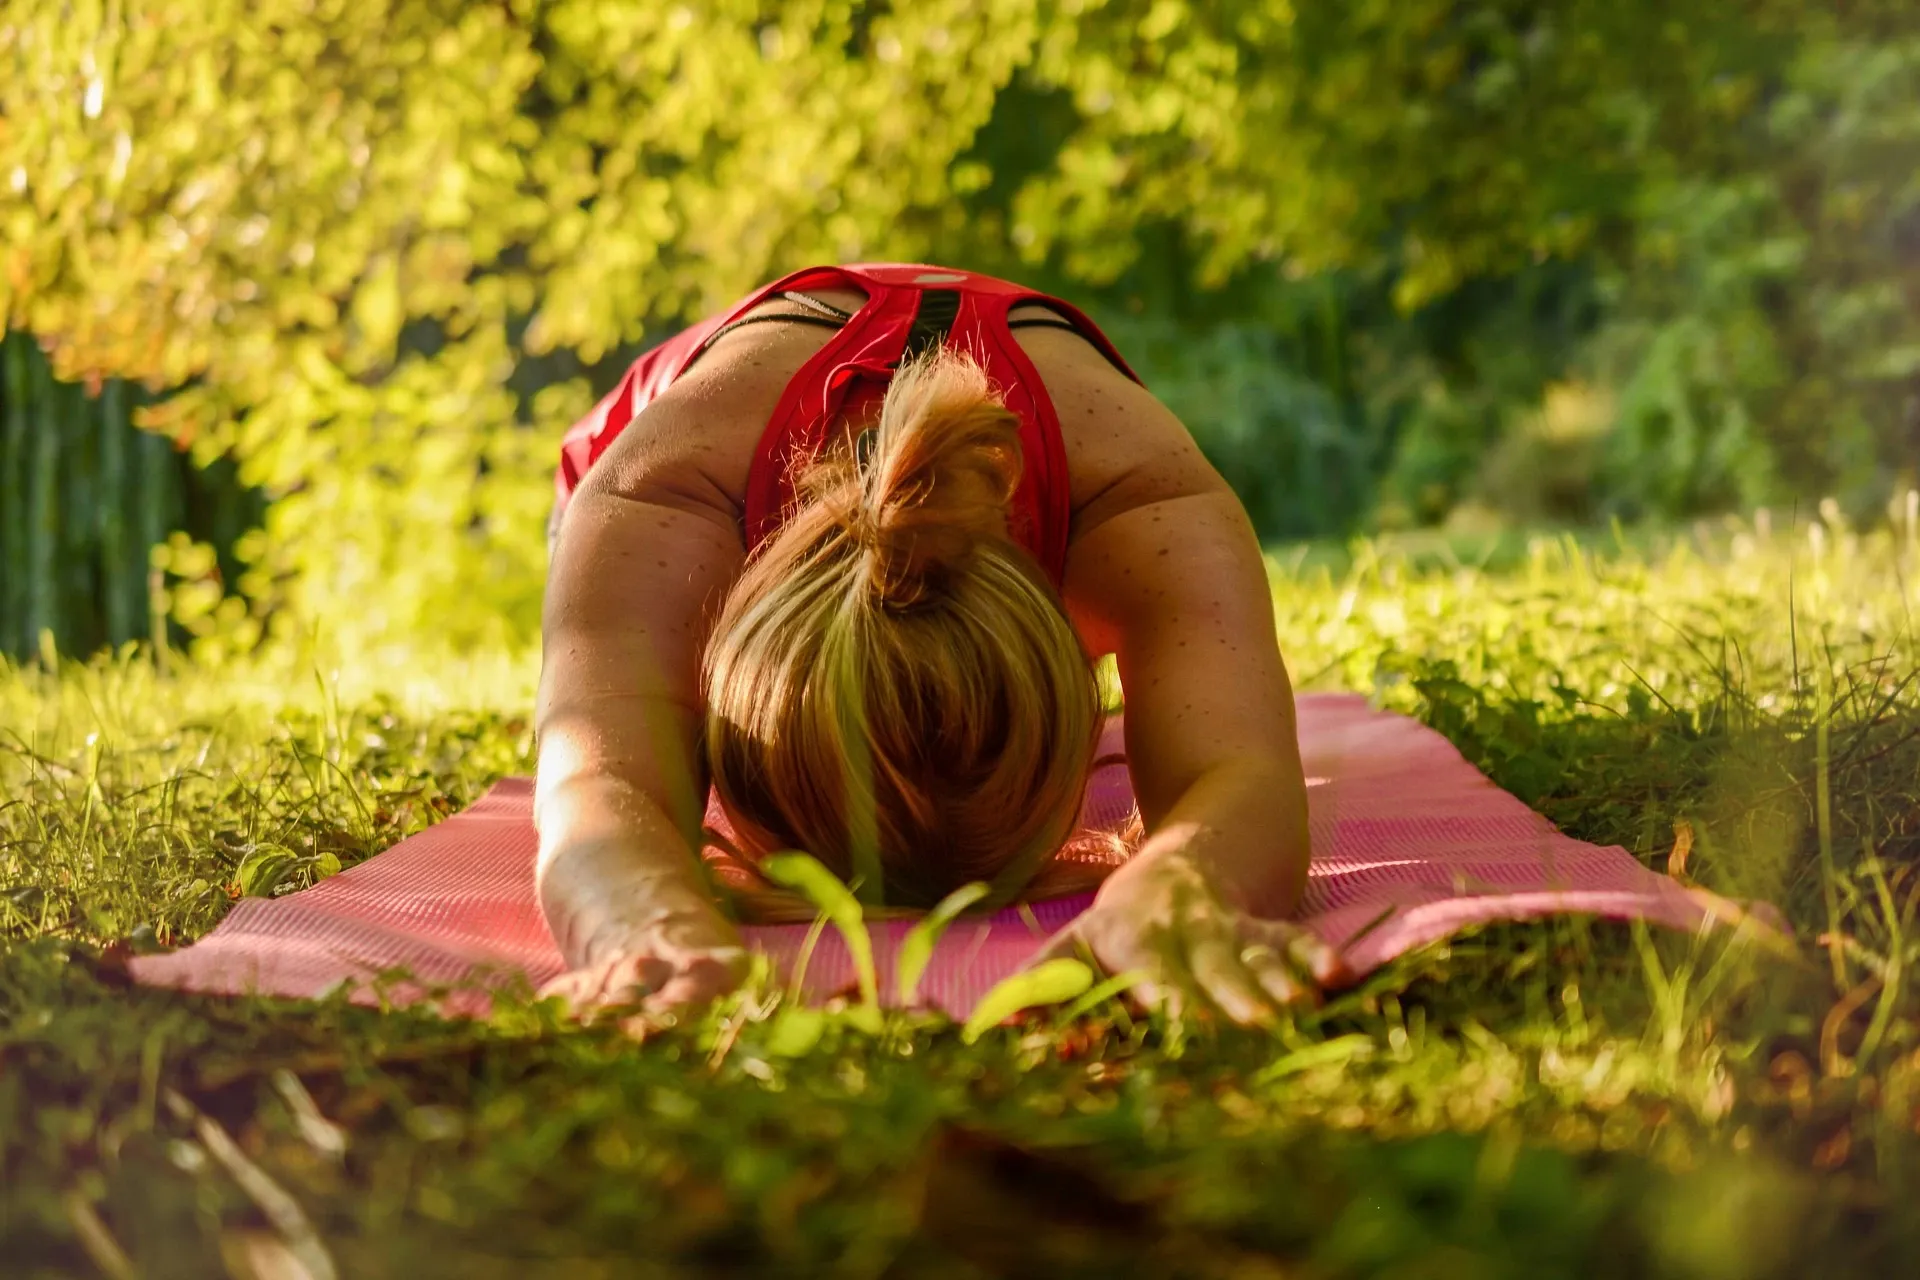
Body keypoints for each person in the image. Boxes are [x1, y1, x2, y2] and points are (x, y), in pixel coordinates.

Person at [535, 263, 1341, 1026]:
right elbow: (596, 785)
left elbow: (1243, 775)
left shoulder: (1140, 497)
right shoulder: (661, 494)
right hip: (678, 441)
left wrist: (1184, 884)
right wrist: (643, 921)